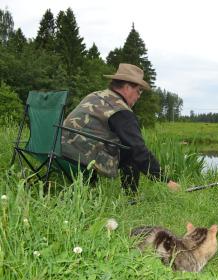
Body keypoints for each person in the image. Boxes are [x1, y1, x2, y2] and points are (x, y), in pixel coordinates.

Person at [61, 63, 180, 193]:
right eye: (138, 91)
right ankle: (130, 196)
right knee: (131, 152)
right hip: (77, 157)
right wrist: (165, 180)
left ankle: (91, 184)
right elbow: (138, 149)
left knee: (125, 145)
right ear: (127, 87)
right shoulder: (120, 110)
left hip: (58, 149)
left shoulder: (95, 95)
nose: (139, 96)